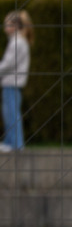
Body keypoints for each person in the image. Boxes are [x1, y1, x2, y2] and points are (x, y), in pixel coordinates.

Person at [0, 10, 32, 151]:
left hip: (11, 83)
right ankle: (11, 142)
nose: (5, 27)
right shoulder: (17, 41)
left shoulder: (17, 43)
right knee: (10, 113)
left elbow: (7, 63)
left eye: (8, 24)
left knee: (11, 114)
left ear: (16, 26)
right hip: (12, 84)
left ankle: (15, 144)